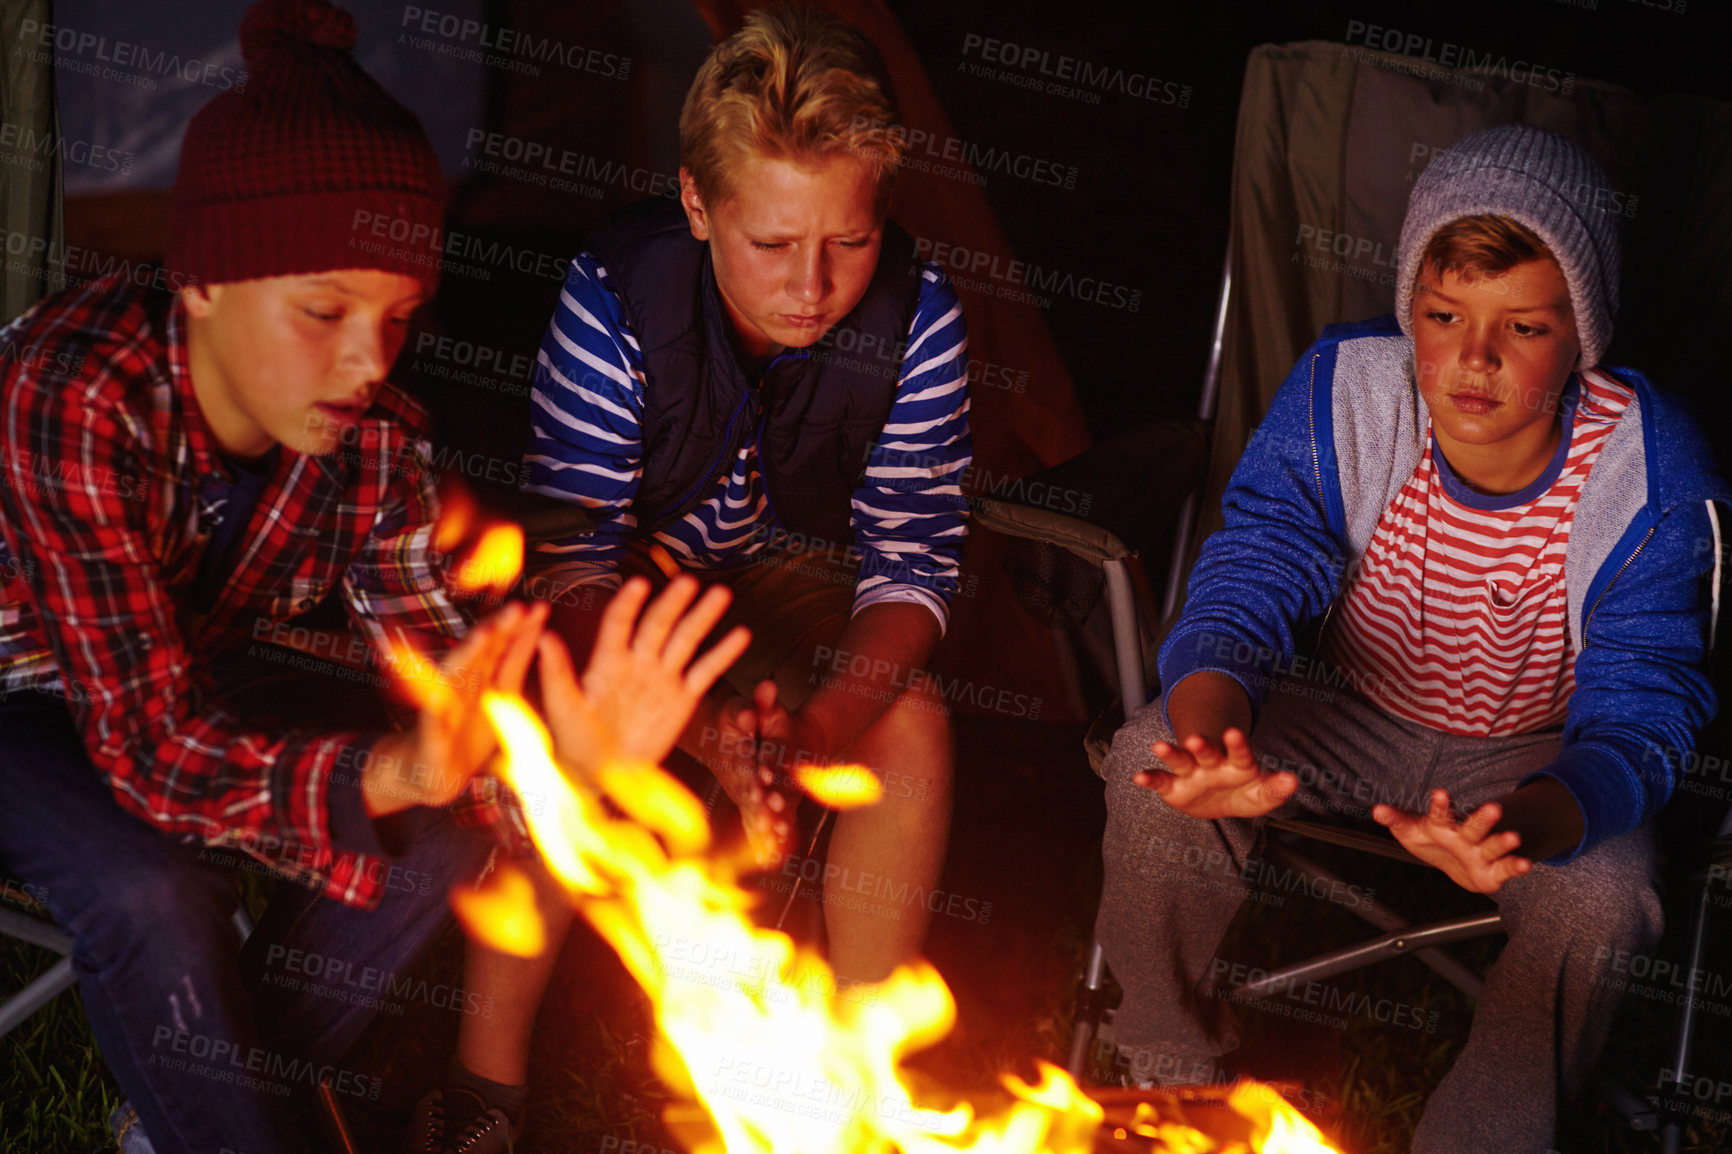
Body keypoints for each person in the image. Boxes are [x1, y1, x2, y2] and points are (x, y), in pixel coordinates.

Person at [0, 3, 747, 1152]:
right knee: (155, 886)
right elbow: (149, 749)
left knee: (443, 821)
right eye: (323, 311)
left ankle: (189, 1115)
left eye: (399, 316)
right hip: (17, 691)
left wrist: (558, 771)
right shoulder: (76, 387)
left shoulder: (377, 436)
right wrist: (395, 763)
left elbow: (449, 678)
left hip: (189, 669)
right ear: (202, 281)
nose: (368, 361)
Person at [1094, 123, 1725, 1152]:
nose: (1472, 359)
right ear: (1409, 312)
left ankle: (1481, 1135)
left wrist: (1528, 820)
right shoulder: (1348, 392)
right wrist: (1209, 737)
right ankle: (1168, 1074)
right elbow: (1254, 571)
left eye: (1522, 327)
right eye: (1443, 316)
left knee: (1604, 898)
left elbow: (1644, 710)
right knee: (1147, 765)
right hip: (1344, 711)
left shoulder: (1643, 469)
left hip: (1541, 753)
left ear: (1583, 336)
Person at [404, 8, 973, 1149]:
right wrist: (709, 728)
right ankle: (485, 1082)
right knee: (581, 718)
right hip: (627, 579)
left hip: (797, 569)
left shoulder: (921, 318)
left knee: (910, 726)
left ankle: (861, 1084)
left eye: (847, 243)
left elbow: (911, 565)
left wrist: (821, 724)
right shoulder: (616, 295)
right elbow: (570, 558)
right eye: (770, 244)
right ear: (699, 204)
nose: (812, 287)